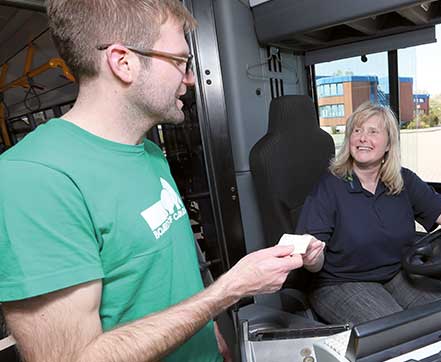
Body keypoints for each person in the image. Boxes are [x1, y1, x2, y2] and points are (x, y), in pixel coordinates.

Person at [0, 1, 303, 361]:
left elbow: (169, 274)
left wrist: (210, 331)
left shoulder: (149, 152)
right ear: (123, 62)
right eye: (179, 61)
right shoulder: (34, 179)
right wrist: (229, 290)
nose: (189, 78)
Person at [296, 102, 441, 325]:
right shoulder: (329, 186)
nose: (363, 137)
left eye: (373, 131)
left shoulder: (404, 180)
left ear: (388, 144)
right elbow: (314, 257)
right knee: (397, 330)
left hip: (396, 272)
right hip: (340, 282)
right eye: (357, 130)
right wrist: (311, 260)